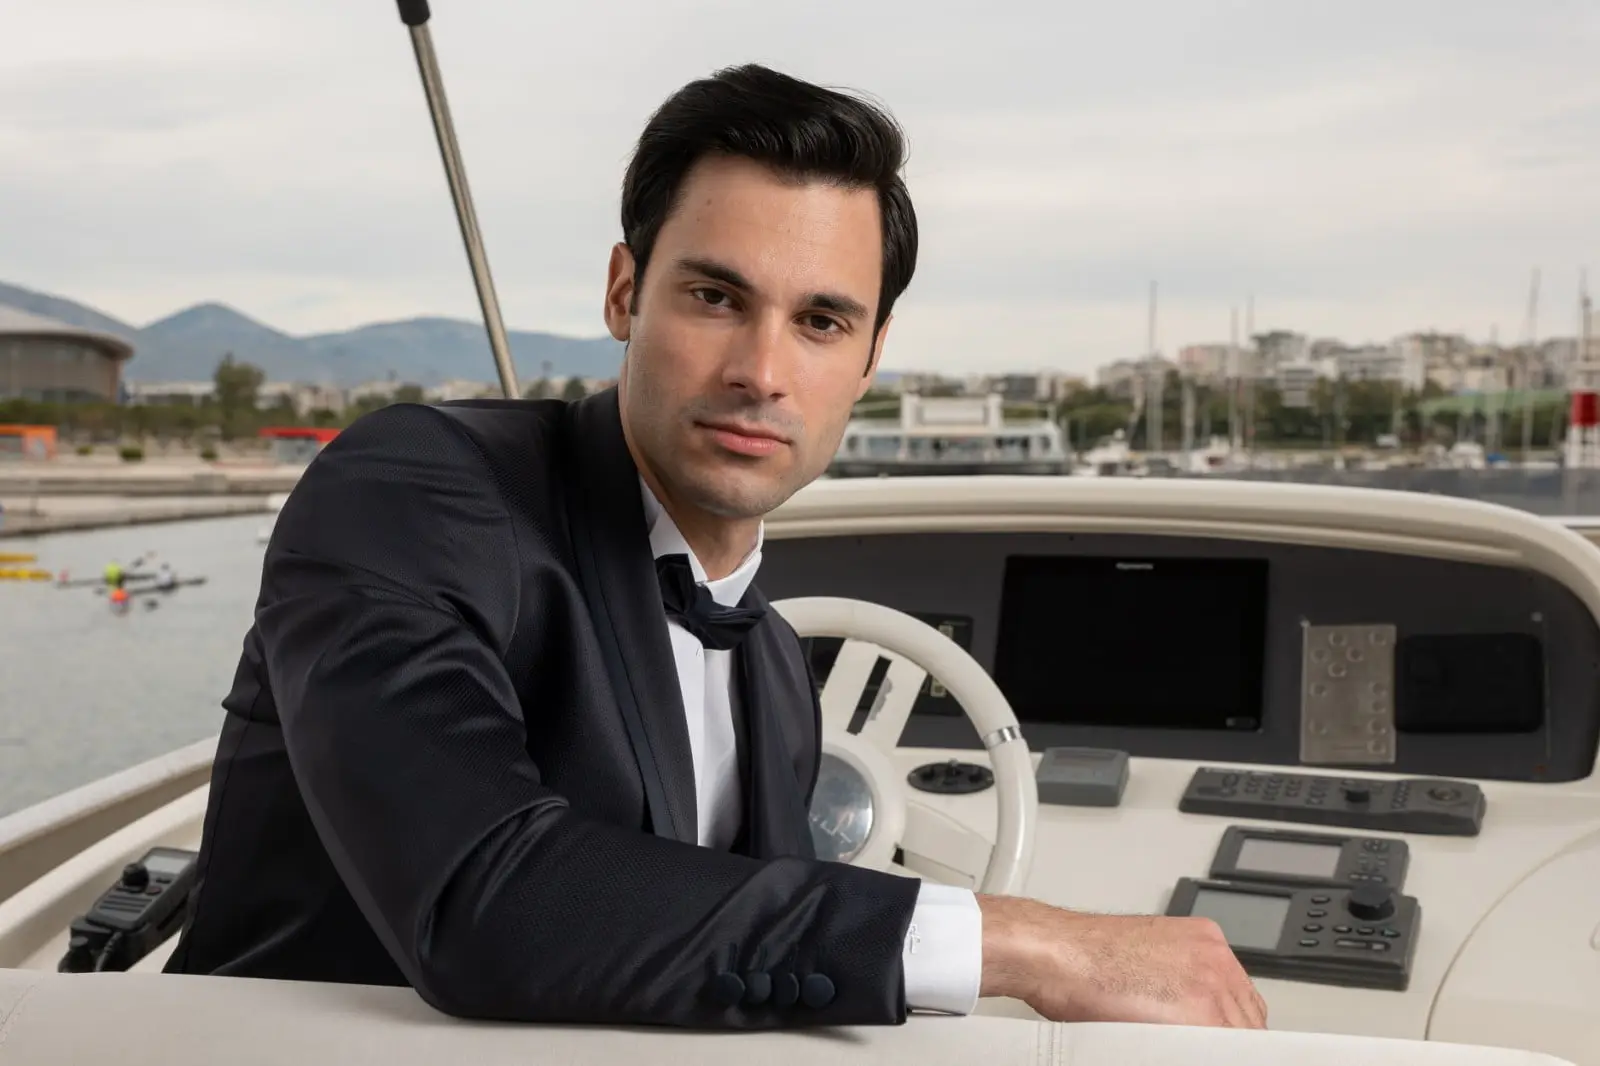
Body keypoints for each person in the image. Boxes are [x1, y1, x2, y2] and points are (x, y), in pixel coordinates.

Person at [165, 64, 1264, 1031]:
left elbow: (730, 957)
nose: (761, 371)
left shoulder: (779, 674)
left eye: (820, 322)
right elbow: (482, 898)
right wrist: (1029, 943)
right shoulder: (414, 491)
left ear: (870, 357)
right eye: (714, 297)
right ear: (624, 292)